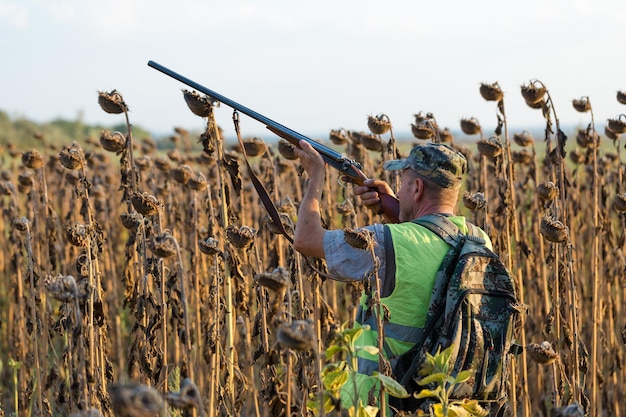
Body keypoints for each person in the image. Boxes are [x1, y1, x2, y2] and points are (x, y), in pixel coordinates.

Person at [293, 139, 492, 413]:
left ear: (418, 188)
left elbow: (306, 239)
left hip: (386, 403)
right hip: (450, 404)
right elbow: (431, 248)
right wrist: (396, 209)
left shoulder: (387, 241)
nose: (398, 189)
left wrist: (315, 176)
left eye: (403, 182)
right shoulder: (479, 241)